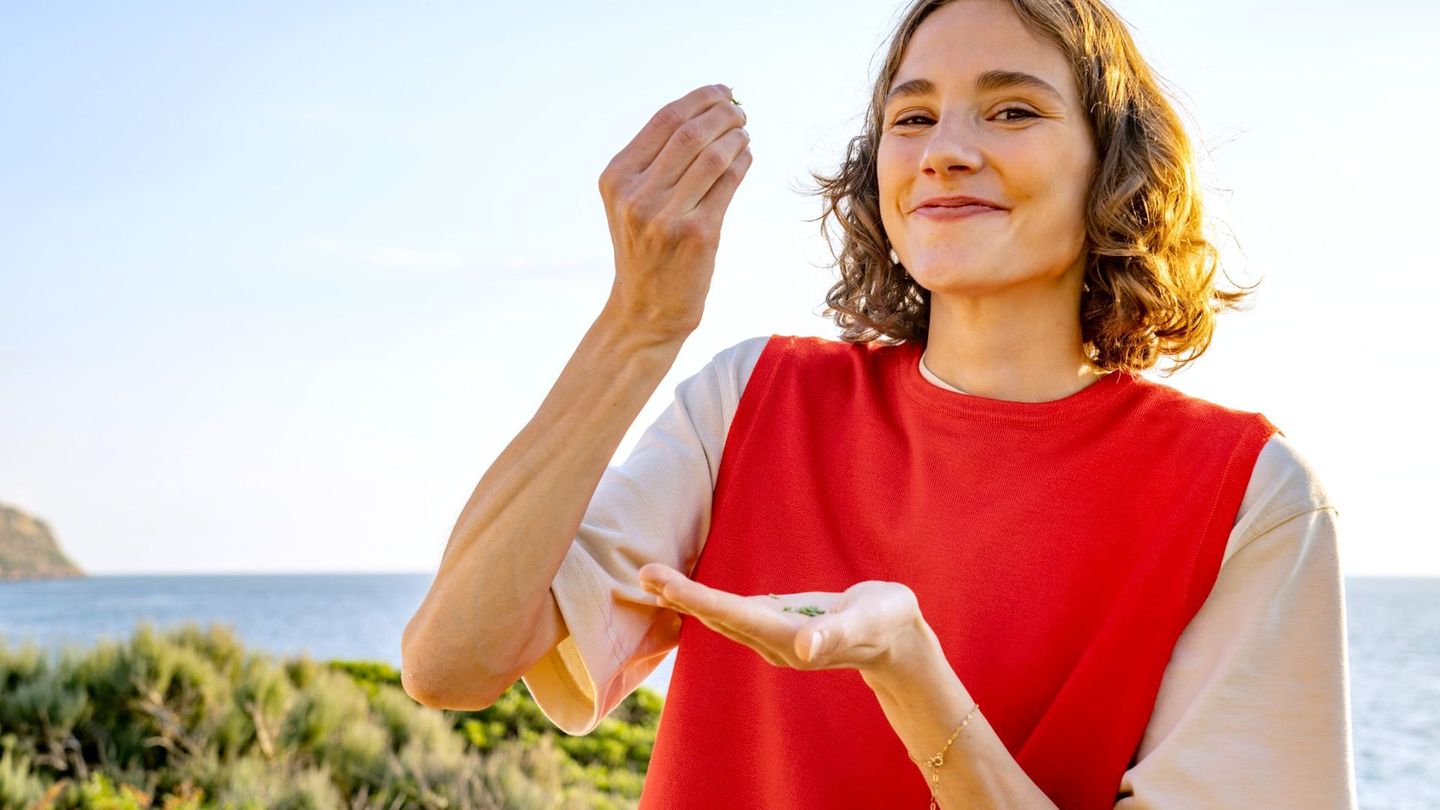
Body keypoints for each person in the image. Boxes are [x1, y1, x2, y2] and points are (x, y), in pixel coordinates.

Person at [400, 0, 1358, 807]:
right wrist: (640, 324)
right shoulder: (750, 400)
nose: (944, 152)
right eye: (912, 118)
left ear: (1116, 166)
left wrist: (912, 674)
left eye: (1013, 111)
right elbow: (452, 661)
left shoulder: (1249, 502)